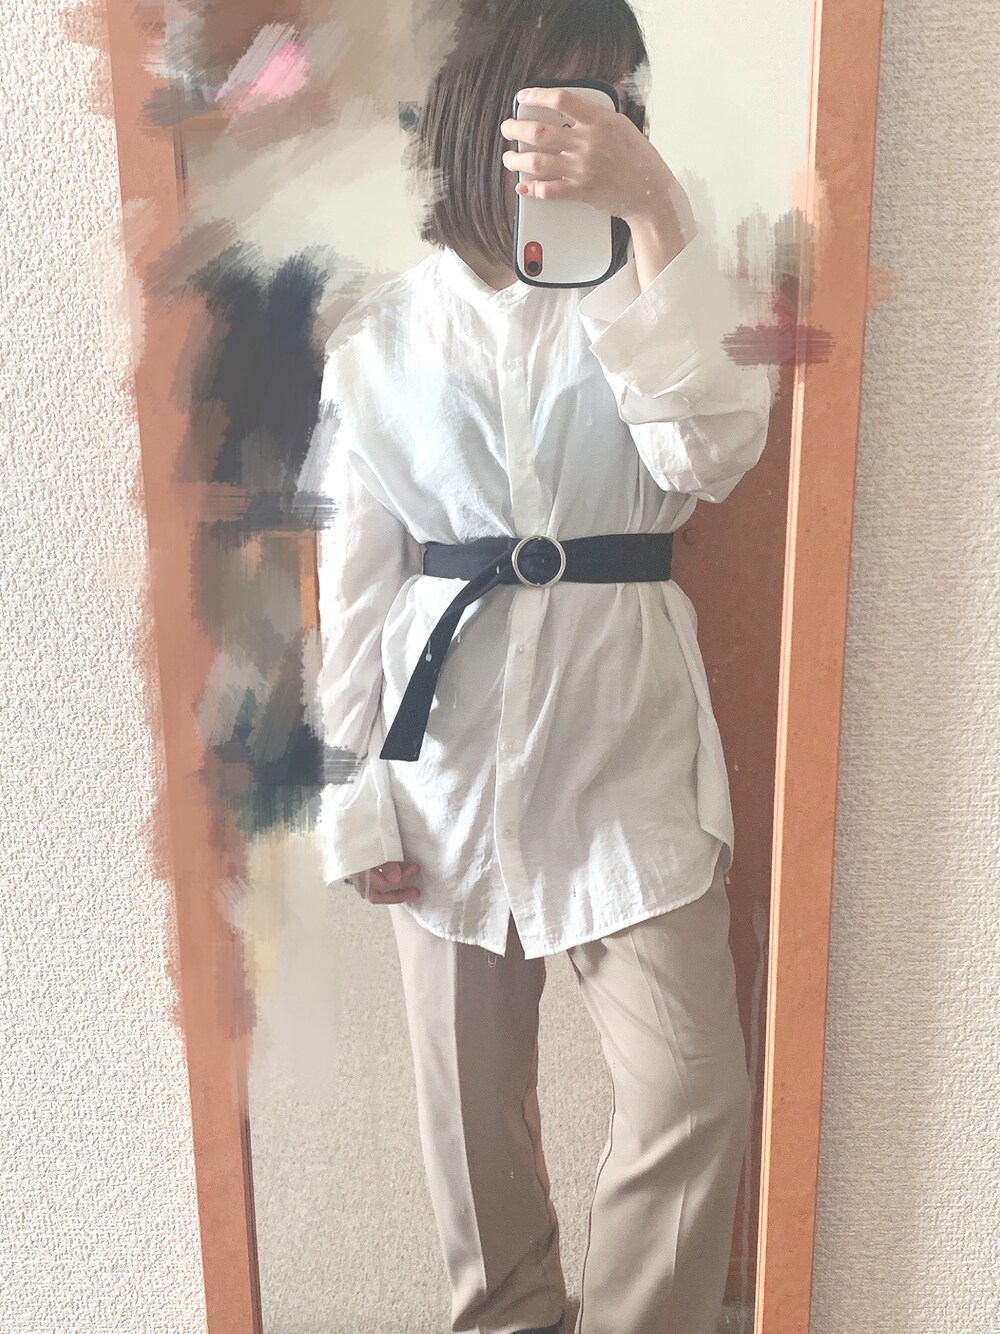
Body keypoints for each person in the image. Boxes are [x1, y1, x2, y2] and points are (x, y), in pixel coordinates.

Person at [297, 2, 773, 1330]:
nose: (587, 126)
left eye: (611, 101)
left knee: (696, 1093)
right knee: (472, 1134)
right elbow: (354, 587)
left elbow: (709, 456)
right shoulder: (379, 336)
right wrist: (354, 799)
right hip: (443, 762)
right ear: (480, 107)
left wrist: (655, 209)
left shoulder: (656, 288)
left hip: (627, 750)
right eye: (562, 94)